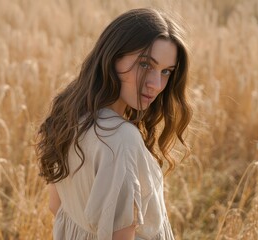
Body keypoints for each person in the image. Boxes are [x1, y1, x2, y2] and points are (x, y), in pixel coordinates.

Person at [36, 8, 192, 240]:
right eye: (145, 65)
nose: (157, 84)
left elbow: (56, 206)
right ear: (113, 57)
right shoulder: (122, 138)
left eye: (166, 71)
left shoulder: (69, 113)